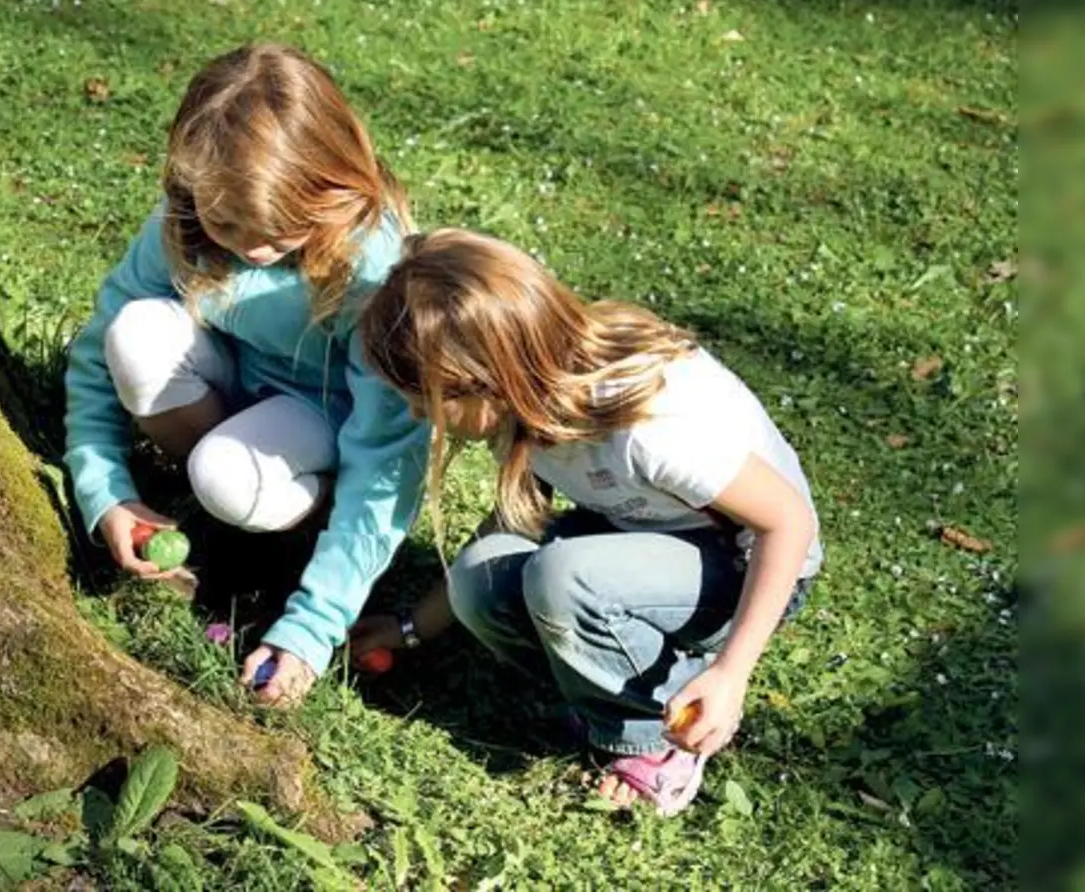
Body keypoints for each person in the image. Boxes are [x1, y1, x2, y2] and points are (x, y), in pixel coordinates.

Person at [350, 229, 822, 814]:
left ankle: (657, 735)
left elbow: (788, 525)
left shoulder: (651, 423)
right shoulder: (526, 405)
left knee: (567, 578)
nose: (417, 412)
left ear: (488, 378)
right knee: (479, 578)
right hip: (647, 544)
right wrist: (412, 627)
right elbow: (511, 525)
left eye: (424, 397)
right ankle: (607, 685)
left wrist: (732, 675)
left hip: (755, 567)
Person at [63, 44, 428, 706]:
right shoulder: (181, 226)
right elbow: (97, 357)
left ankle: (298, 539)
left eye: (282, 229)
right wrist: (106, 492)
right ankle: (220, 509)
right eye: (227, 222)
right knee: (136, 336)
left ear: (333, 184)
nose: (254, 248)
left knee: (225, 476)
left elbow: (387, 460)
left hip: (324, 425)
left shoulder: (373, 275)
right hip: (235, 395)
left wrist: (312, 631)